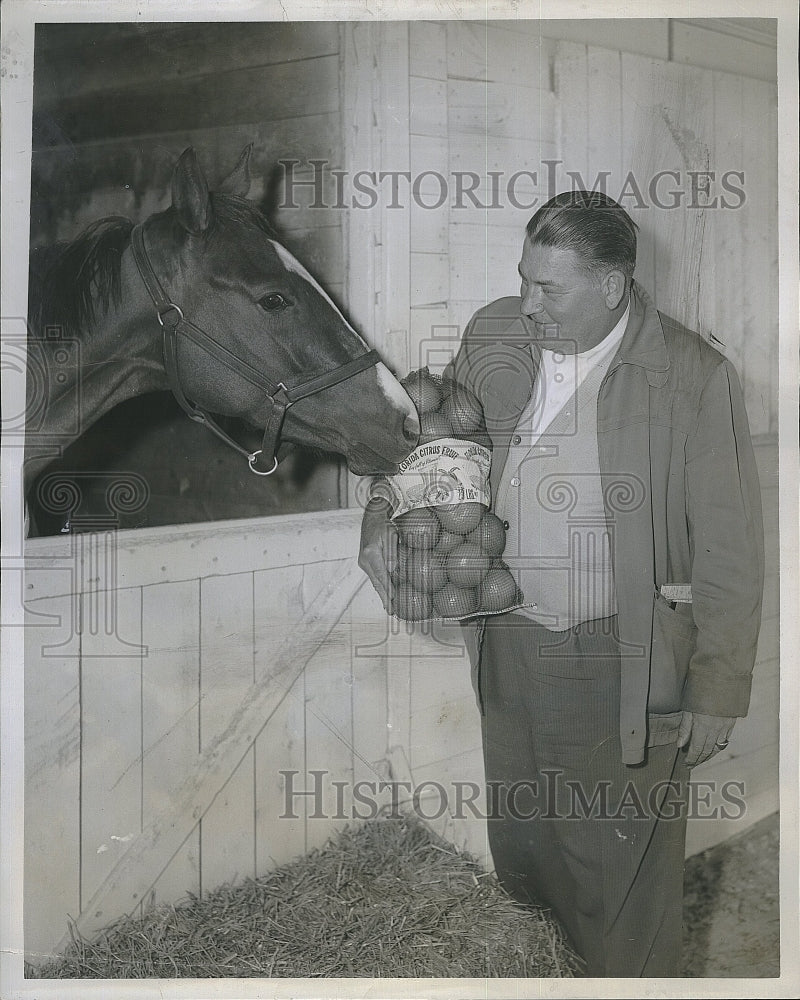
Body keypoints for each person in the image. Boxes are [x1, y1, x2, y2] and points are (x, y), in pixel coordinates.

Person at [359, 191, 764, 977]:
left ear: (612, 287)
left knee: (619, 892)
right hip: (505, 643)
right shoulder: (496, 335)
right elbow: (429, 441)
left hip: (623, 663)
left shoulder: (691, 376)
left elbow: (731, 546)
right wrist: (382, 506)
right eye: (523, 279)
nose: (527, 304)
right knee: (525, 862)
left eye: (551, 289)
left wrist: (719, 687)